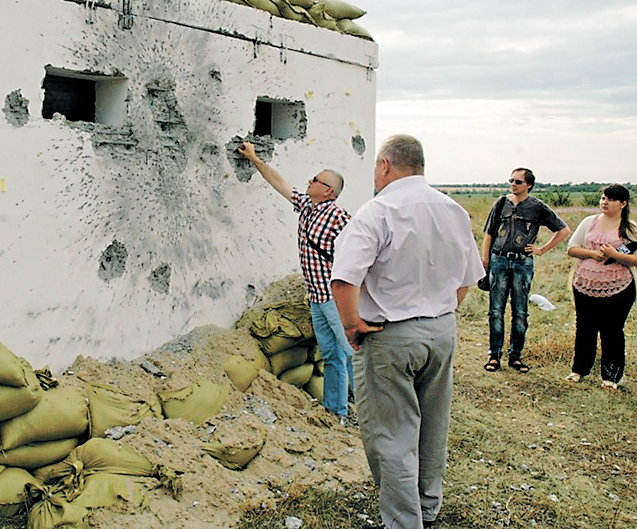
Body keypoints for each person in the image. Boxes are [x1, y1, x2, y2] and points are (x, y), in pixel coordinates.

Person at [330, 134, 483, 529]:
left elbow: (345, 278)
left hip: (391, 334)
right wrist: (438, 314)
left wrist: (351, 325)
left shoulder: (377, 211)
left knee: (392, 434)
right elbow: (467, 279)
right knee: (433, 424)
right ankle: (427, 508)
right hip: (441, 330)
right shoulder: (454, 210)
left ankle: (403, 522)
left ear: (384, 165)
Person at [238, 141, 355, 422]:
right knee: (332, 356)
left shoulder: (339, 217)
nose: (309, 181)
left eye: (315, 179)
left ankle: (371, 410)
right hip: (316, 298)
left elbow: (361, 251)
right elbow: (280, 184)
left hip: (334, 299)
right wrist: (255, 159)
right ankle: (336, 411)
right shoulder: (306, 207)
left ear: (329, 190)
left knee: (353, 356)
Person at [481, 168, 570, 373]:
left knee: (520, 312)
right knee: (496, 311)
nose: (513, 184)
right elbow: (488, 233)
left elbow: (563, 230)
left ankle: (516, 356)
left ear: (528, 185)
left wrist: (542, 250)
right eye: (511, 180)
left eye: (518, 181)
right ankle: (494, 356)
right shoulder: (502, 203)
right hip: (499, 260)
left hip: (523, 264)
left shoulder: (537, 207)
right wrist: (485, 260)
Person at [565, 184, 636, 390]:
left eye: (610, 199)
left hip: (619, 287)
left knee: (612, 330)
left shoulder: (630, 228)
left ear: (623, 204)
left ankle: (610, 377)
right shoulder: (589, 222)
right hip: (585, 284)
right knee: (585, 328)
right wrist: (593, 254)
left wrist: (615, 255)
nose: (604, 202)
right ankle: (579, 369)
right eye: (603, 198)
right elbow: (572, 248)